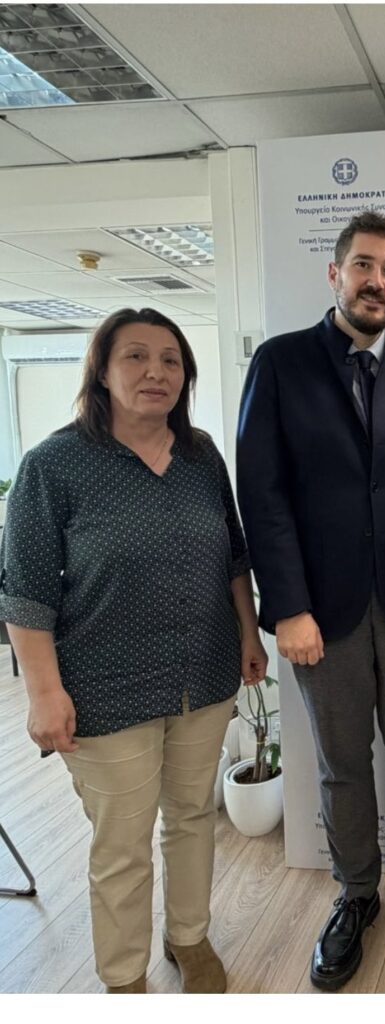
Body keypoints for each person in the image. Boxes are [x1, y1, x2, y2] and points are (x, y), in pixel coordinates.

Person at [0, 308, 267, 994]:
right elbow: (25, 593)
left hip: (203, 674)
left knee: (192, 817)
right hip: (103, 688)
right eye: (136, 356)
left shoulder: (201, 455)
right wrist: (44, 694)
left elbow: (234, 557)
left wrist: (247, 633)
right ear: (101, 371)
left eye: (171, 360)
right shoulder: (53, 465)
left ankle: (190, 937)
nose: (156, 372)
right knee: (121, 845)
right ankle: (124, 980)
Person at [236, 210, 385, 991]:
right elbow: (262, 492)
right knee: (341, 765)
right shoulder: (280, 362)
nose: (376, 281)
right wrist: (287, 605)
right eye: (363, 265)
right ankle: (357, 892)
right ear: (335, 273)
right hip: (320, 613)